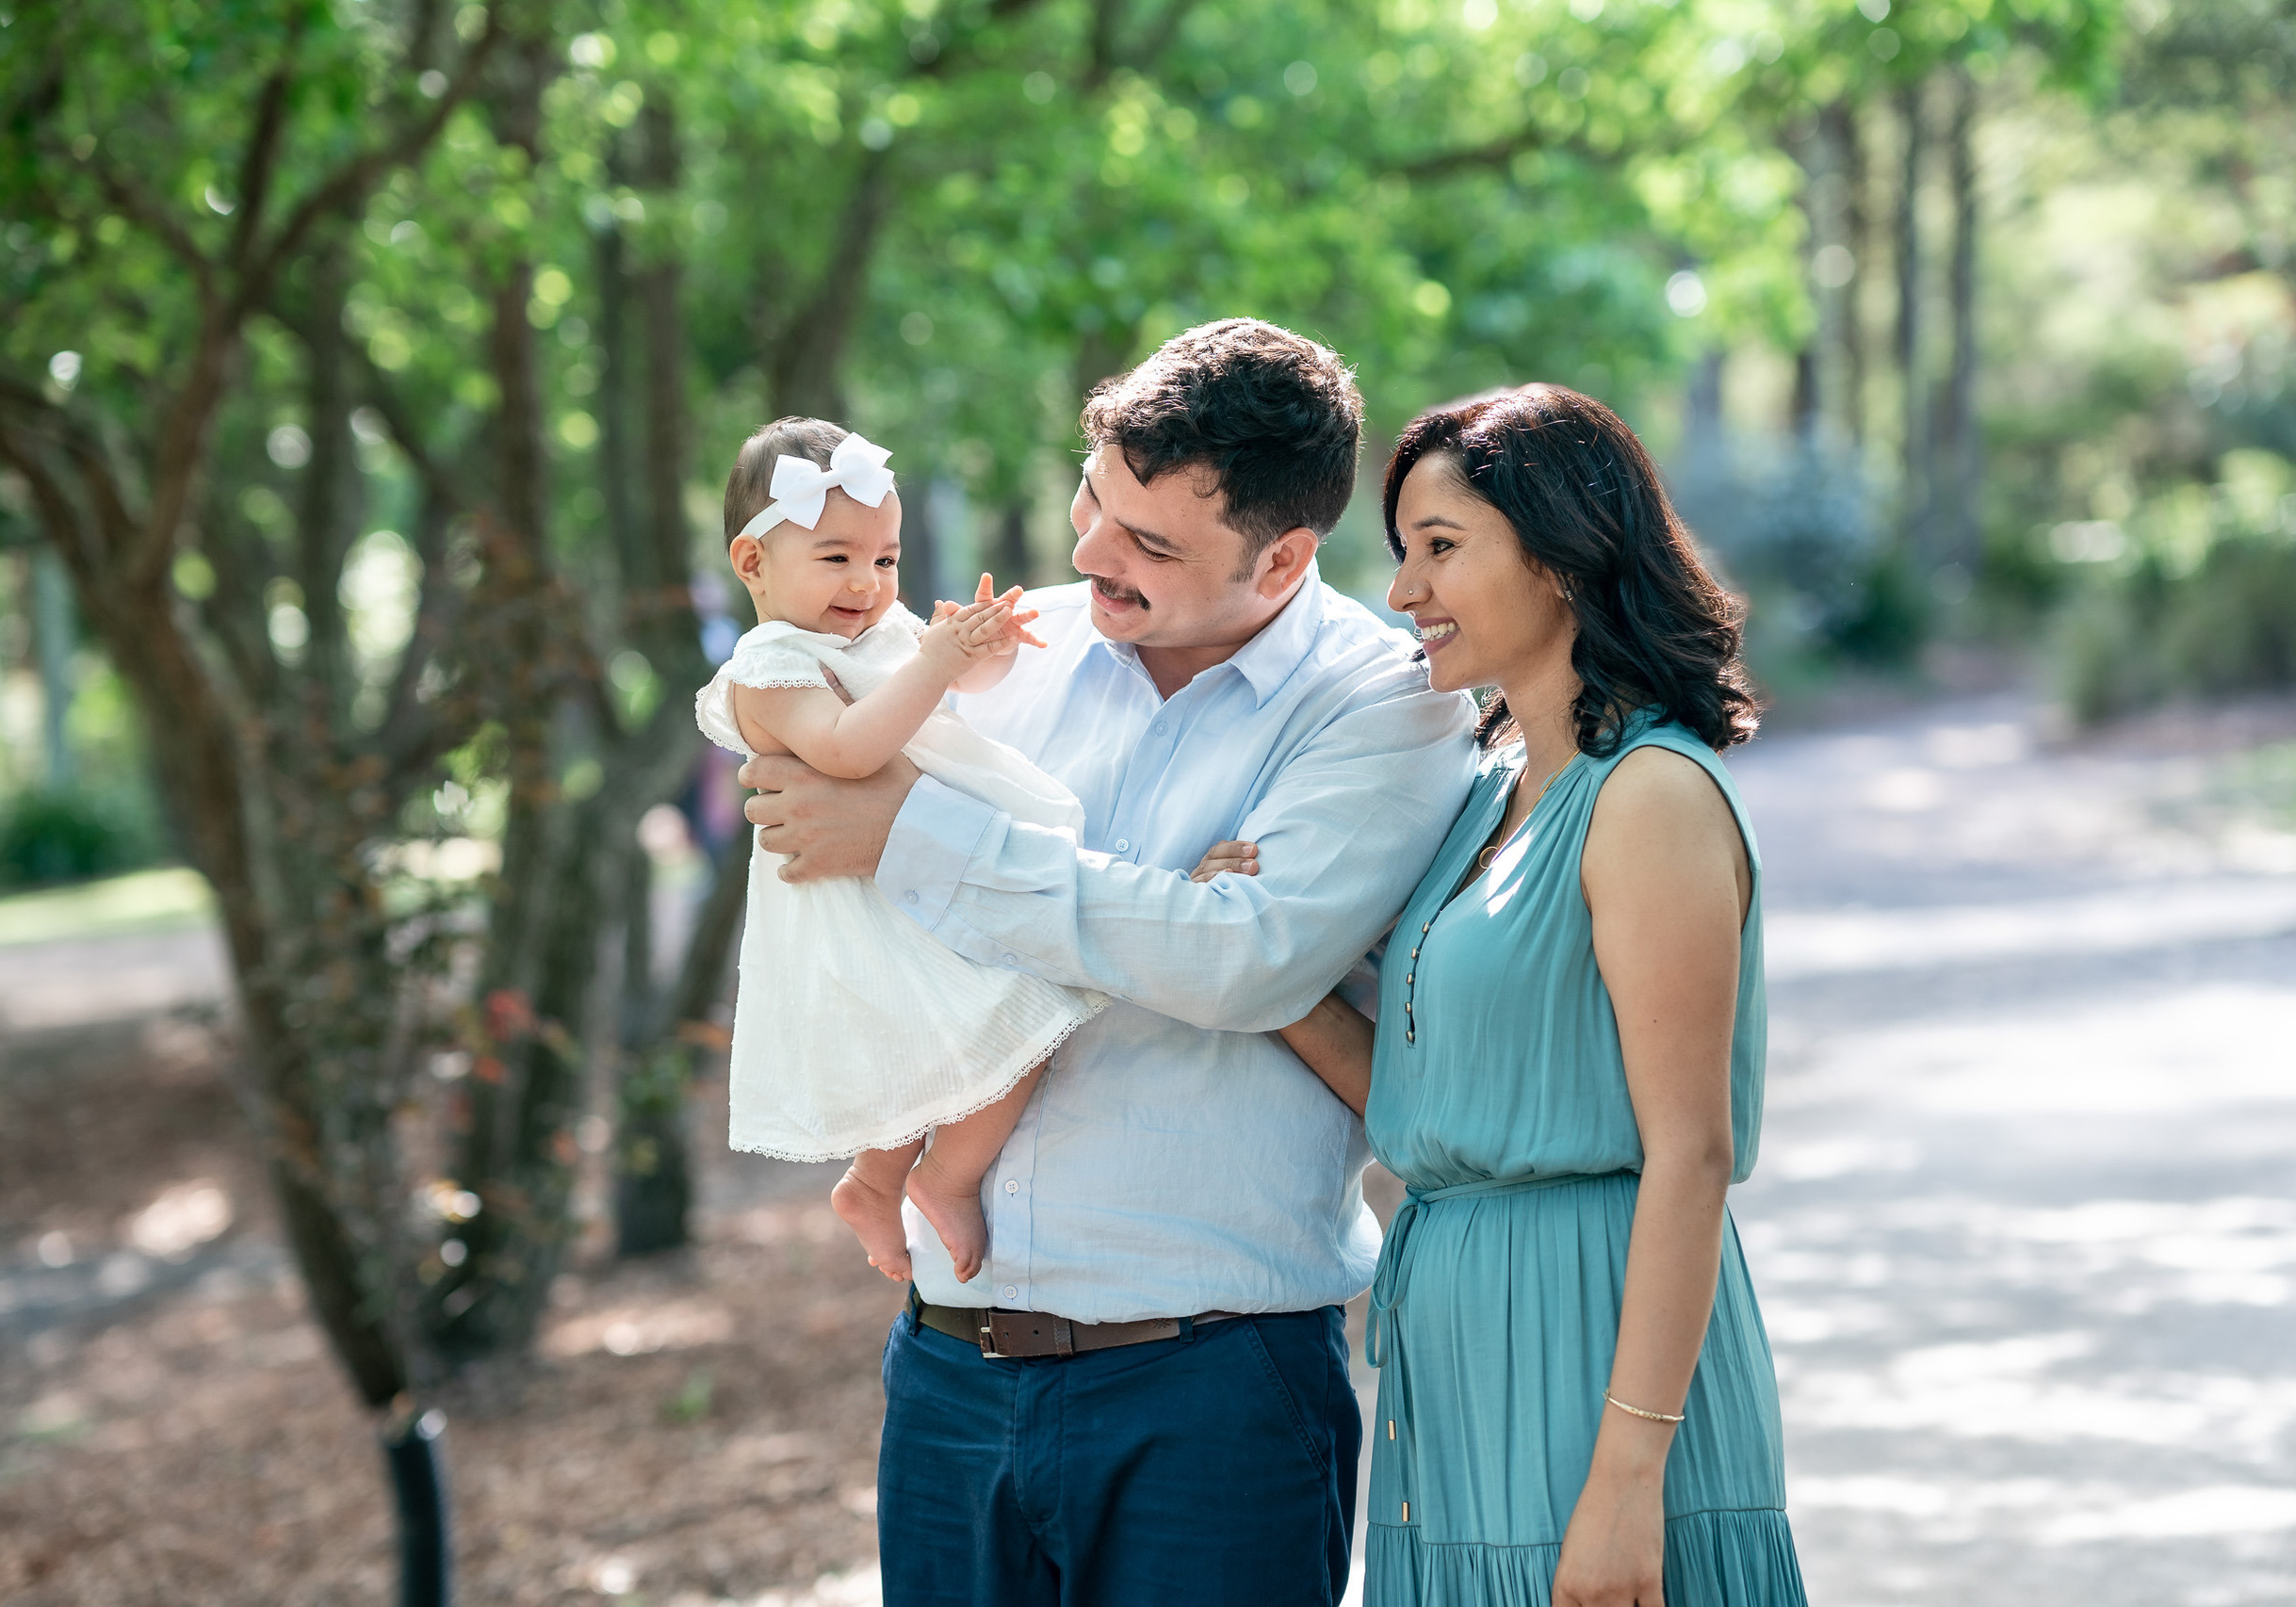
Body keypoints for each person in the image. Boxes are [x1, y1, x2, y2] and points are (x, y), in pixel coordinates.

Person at [739, 320, 1479, 1607]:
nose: (1089, 555)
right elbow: (824, 821)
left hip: (1211, 1391)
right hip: (951, 1368)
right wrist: (1150, 906)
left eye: (1150, 544)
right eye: (1095, 503)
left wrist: (922, 838)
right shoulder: (998, 654)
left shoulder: (1385, 704)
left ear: (1283, 556)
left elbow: (1251, 962)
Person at [1273, 385, 1808, 1606]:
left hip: (1593, 1347)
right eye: (1404, 553)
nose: (1404, 591)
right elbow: (1431, 1097)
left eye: (1441, 548)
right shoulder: (1482, 797)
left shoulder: (1650, 796)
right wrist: (1250, 962)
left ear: (1563, 556)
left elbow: (1691, 1151)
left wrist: (1626, 1474)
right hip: (1457, 1364)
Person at [695, 417, 1105, 1284]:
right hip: (861, 893)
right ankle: (936, 1180)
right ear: (753, 563)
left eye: (884, 560)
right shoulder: (767, 666)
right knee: (1010, 1015)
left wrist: (979, 652)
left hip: (918, 862)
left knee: (970, 1031)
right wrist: (932, 661)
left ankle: (878, 1184)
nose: (867, 582)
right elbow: (848, 748)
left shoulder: (871, 637)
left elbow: (960, 691)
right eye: (836, 556)